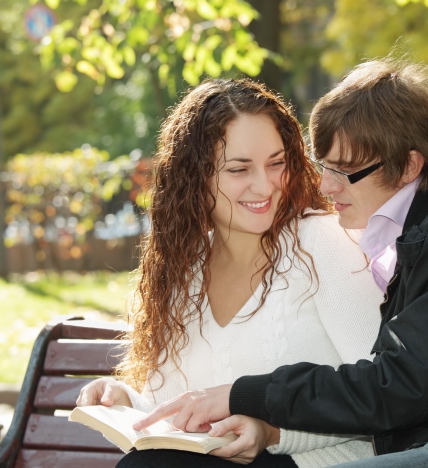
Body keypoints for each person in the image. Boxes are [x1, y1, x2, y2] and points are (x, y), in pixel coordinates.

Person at [134, 59, 428, 468]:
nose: (325, 187)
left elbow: (398, 386)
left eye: (345, 172)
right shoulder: (415, 231)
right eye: (324, 167)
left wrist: (248, 395)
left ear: (408, 166)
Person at [75, 78, 384, 467]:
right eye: (239, 169)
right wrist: (126, 402)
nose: (265, 185)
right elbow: (175, 411)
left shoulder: (321, 242)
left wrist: (273, 433)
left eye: (276, 163)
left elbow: (381, 396)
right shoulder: (183, 271)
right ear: (196, 178)